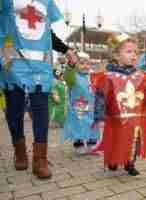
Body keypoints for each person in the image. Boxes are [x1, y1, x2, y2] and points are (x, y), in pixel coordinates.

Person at [0, 0, 77, 179]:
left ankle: (40, 160)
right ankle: (19, 151)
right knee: (14, 109)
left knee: (41, 108)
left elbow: (46, 33)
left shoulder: (46, 2)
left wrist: (66, 50)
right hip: (13, 59)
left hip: (40, 63)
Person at [91, 35, 146, 176]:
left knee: (134, 140)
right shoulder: (107, 77)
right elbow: (101, 98)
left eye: (135, 52)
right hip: (115, 118)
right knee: (115, 140)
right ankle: (113, 160)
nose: (134, 55)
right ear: (117, 55)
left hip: (136, 118)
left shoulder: (142, 76)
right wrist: (99, 117)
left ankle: (130, 163)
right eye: (129, 52)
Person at [62, 52, 100, 154]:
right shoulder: (73, 76)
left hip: (91, 107)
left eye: (88, 64)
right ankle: (79, 144)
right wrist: (70, 65)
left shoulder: (91, 76)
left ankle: (92, 144)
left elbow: (98, 88)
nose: (85, 66)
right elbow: (67, 75)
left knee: (92, 125)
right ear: (76, 64)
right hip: (78, 107)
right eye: (82, 63)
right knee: (78, 125)